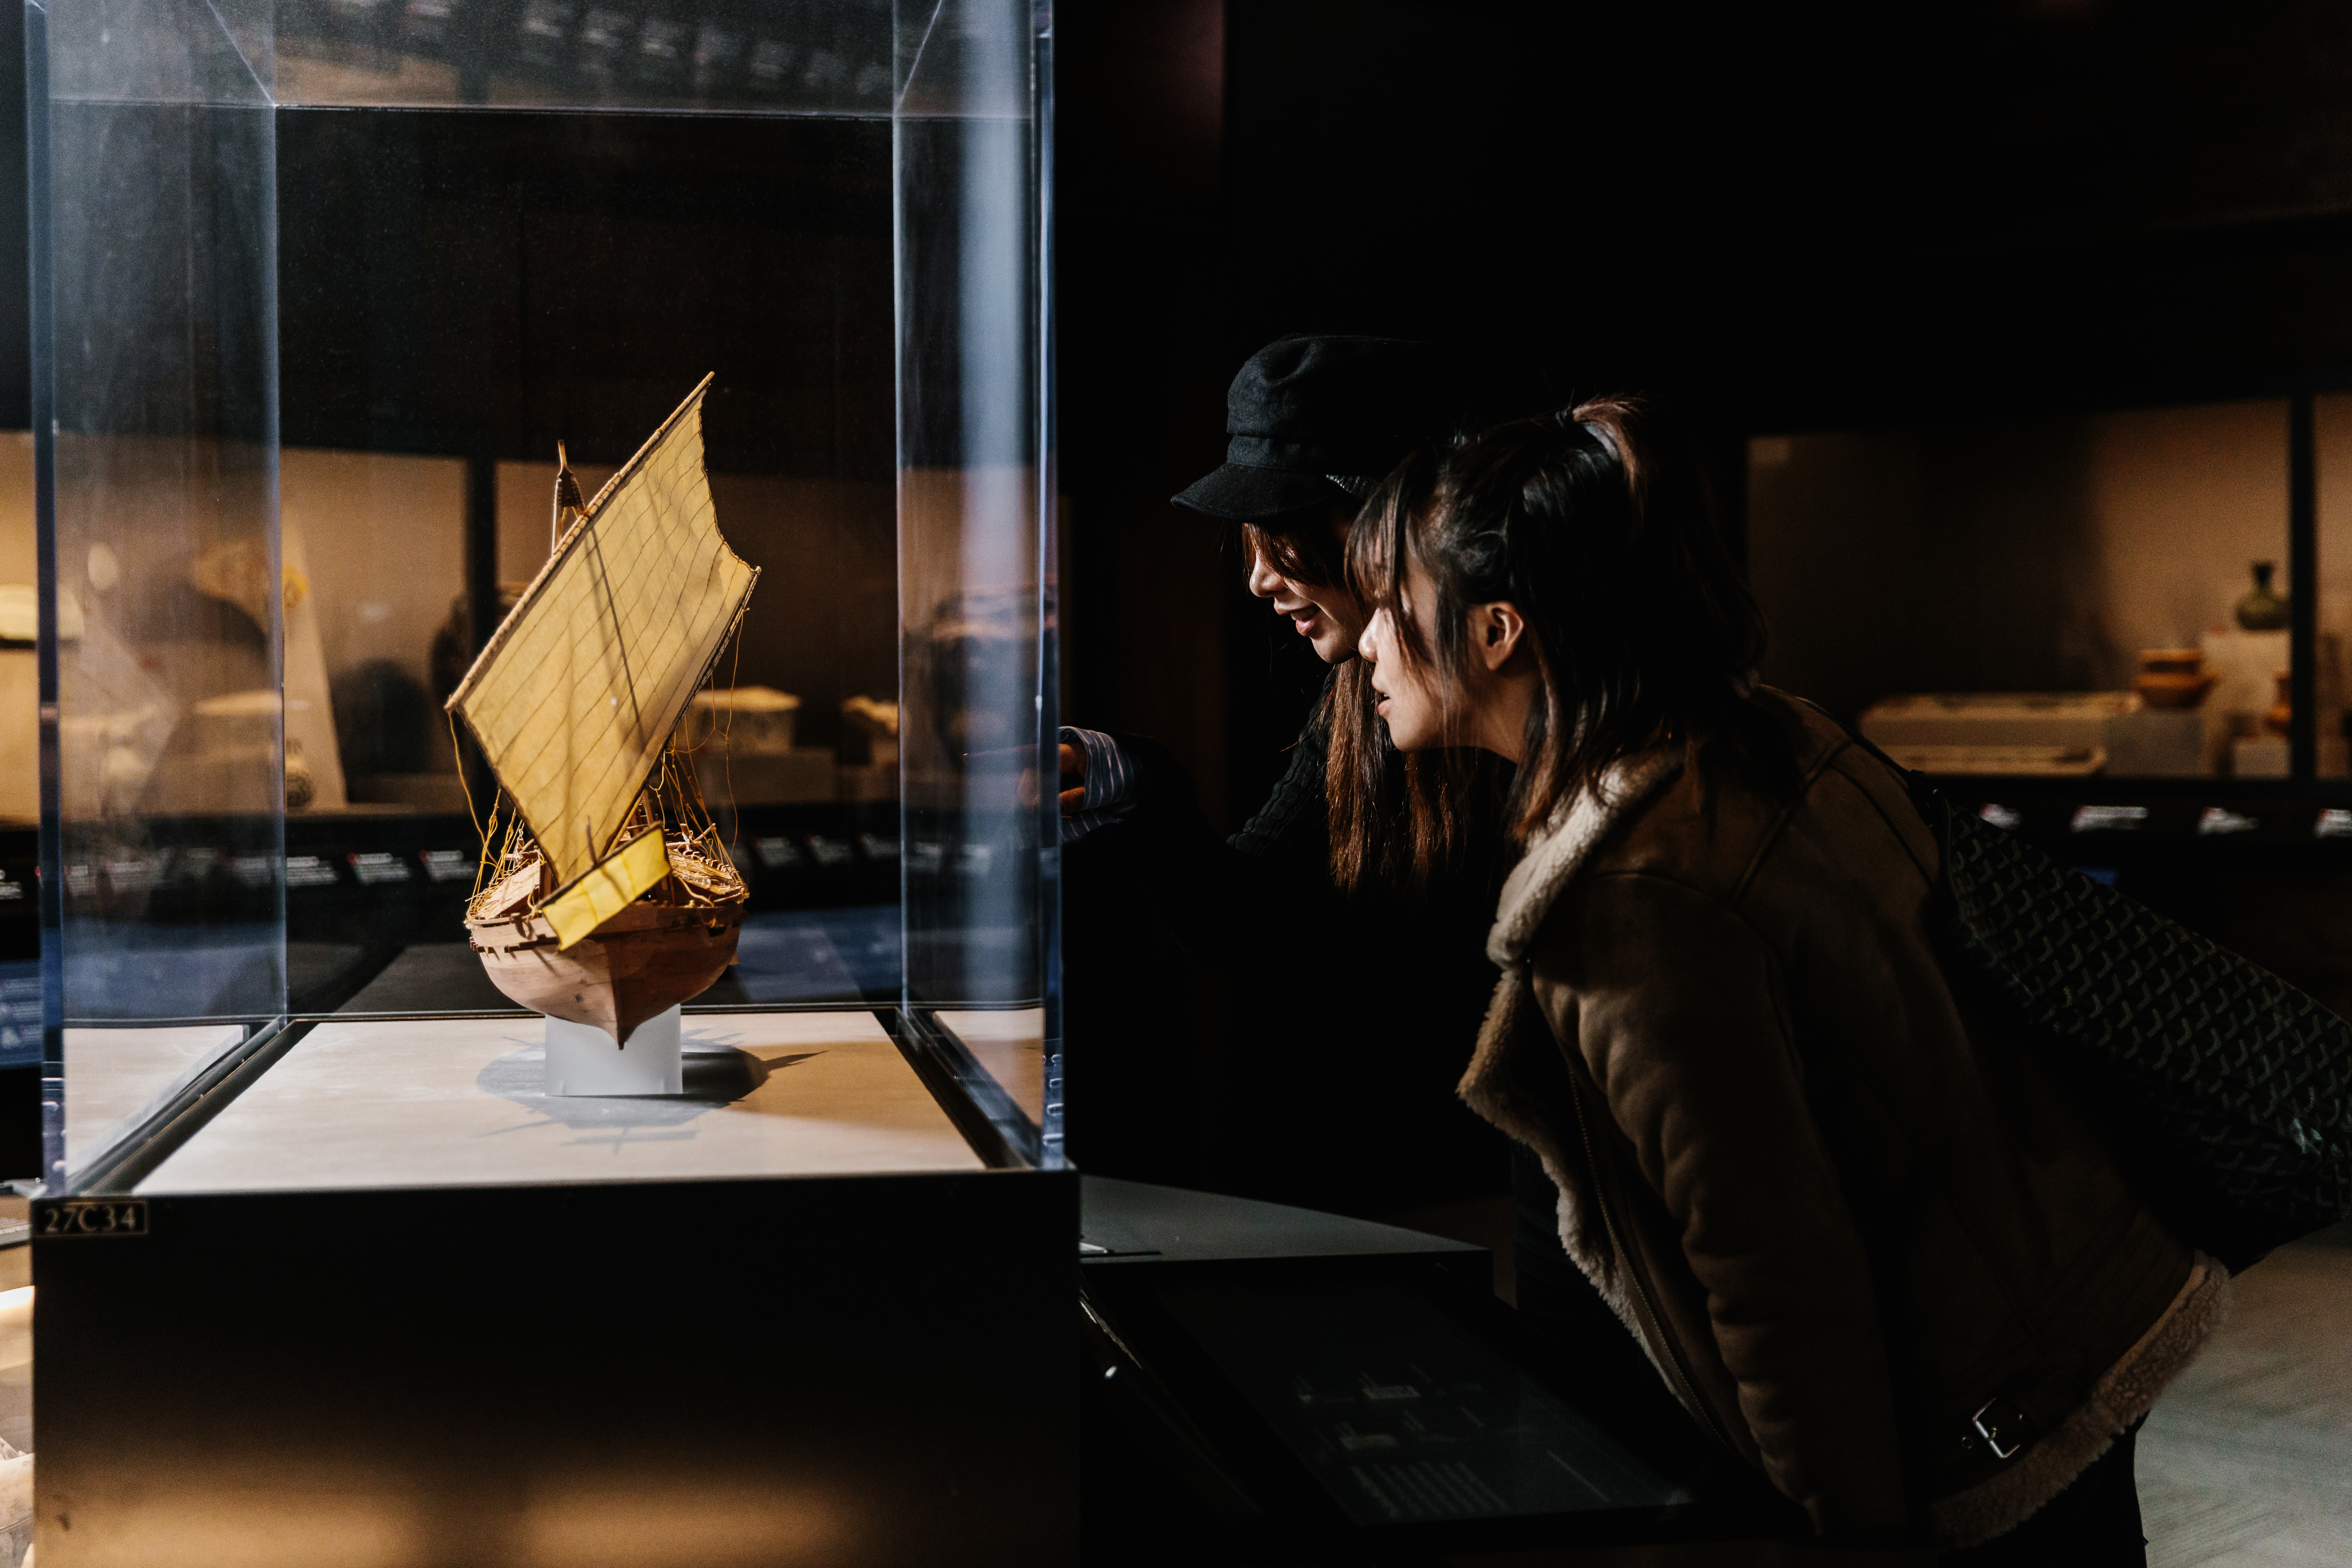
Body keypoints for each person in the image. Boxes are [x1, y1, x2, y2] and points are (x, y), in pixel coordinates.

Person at [1347, 398, 2226, 1558]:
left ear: (1497, 630)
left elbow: (1775, 1277)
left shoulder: (1630, 899)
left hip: (1985, 1406)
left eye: (1387, 607)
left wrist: (1849, 1534)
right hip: (2071, 1311)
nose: (1363, 643)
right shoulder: (1765, 736)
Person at [1057, 334, 1513, 1218]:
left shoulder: (1522, 714)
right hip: (1398, 1193)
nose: (1261, 576)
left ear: (1395, 522)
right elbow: (1243, 918)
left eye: (1287, 533)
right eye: (1250, 541)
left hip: (1510, 1198)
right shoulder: (1359, 704)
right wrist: (1138, 780)